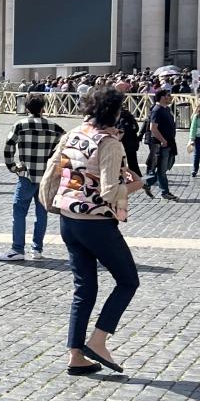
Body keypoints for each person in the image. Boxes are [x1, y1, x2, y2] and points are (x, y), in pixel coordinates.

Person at [39, 86, 145, 375]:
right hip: (95, 222)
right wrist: (138, 184)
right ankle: (98, 341)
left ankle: (76, 355)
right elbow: (110, 191)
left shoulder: (72, 134)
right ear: (115, 112)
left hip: (67, 218)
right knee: (128, 281)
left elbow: (53, 171)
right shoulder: (109, 144)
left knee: (84, 288)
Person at [0, 95, 65, 262]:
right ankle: (37, 249)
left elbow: (8, 148)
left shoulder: (20, 125)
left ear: (27, 108)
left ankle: (17, 248)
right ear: (43, 108)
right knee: (41, 213)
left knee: (19, 211)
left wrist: (13, 167)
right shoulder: (54, 127)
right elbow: (66, 146)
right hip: (46, 176)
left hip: (27, 175)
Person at [145, 89, 178, 200]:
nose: (170, 97)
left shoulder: (167, 109)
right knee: (162, 170)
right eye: (168, 95)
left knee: (167, 166)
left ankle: (147, 183)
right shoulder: (157, 110)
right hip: (161, 144)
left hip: (169, 142)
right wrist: (163, 140)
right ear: (163, 97)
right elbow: (153, 128)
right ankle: (165, 192)